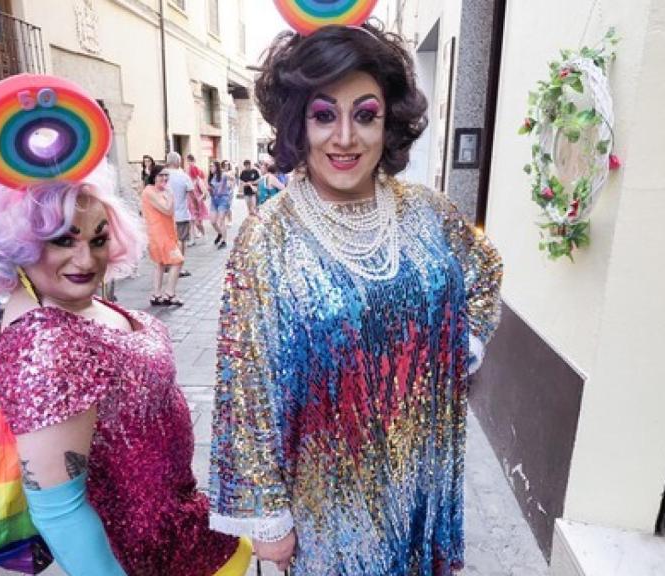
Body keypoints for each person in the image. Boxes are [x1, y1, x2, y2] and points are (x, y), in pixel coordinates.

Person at [208, 22, 503, 575]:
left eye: (364, 114)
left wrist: (462, 346)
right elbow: (248, 384)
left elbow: (484, 271)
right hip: (328, 501)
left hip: (419, 474)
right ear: (300, 123)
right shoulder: (267, 235)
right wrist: (269, 515)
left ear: (388, 121)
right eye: (325, 115)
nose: (345, 137)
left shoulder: (428, 211)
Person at [0, 161, 251, 575]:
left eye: (98, 238)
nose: (85, 258)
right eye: (61, 240)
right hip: (140, 558)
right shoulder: (44, 344)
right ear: (18, 245)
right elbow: (60, 509)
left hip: (184, 532)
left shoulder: (70, 303)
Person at [141, 164, 185, 306]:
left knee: (160, 264)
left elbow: (169, 212)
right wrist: (171, 195)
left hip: (166, 232)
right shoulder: (149, 191)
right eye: (161, 175)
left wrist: (169, 195)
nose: (165, 178)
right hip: (158, 233)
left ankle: (156, 295)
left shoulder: (162, 191)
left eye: (167, 175)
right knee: (178, 261)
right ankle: (169, 294)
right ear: (154, 176)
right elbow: (167, 210)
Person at [166, 151, 194, 278]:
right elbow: (191, 194)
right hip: (181, 214)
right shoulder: (183, 176)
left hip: (165, 215)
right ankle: (179, 268)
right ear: (178, 162)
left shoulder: (162, 175)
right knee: (181, 241)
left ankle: (168, 263)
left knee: (168, 240)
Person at [185, 154, 211, 243]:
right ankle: (192, 239)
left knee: (197, 222)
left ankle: (203, 234)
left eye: (190, 172)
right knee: (191, 221)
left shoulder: (198, 181)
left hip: (197, 203)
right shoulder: (188, 181)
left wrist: (200, 198)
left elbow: (205, 193)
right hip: (190, 202)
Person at [207, 161, 231, 249]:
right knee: (213, 222)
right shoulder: (211, 178)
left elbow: (231, 178)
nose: (210, 168)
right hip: (214, 201)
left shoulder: (223, 175)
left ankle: (224, 241)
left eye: (212, 166)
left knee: (221, 220)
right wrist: (210, 190)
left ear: (217, 167)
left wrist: (229, 189)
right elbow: (212, 194)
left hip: (223, 200)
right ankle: (220, 233)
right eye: (210, 167)